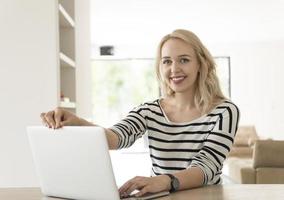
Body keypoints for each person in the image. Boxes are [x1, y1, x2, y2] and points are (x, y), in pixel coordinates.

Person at [41, 29, 239, 198]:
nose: (174, 69)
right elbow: (116, 137)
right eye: (166, 61)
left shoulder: (224, 111)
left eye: (184, 60)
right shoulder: (149, 110)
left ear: (200, 65)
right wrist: (77, 122)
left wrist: (164, 181)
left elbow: (206, 167)